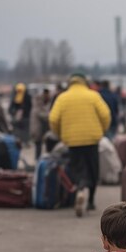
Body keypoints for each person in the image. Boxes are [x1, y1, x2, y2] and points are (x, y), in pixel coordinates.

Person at [49, 72, 111, 216]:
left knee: (77, 168)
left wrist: (61, 134)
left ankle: (80, 188)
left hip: (72, 140)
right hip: (92, 139)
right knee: (92, 169)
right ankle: (91, 200)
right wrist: (102, 130)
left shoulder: (62, 98)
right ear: (84, 82)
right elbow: (106, 115)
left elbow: (53, 119)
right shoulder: (93, 96)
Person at [30, 88, 51, 160]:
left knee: (38, 146)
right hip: (37, 130)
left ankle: (37, 159)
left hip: (37, 129)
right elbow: (43, 115)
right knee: (38, 146)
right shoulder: (38, 106)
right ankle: (37, 160)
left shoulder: (37, 105)